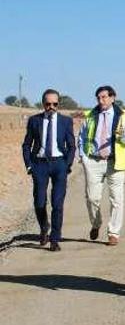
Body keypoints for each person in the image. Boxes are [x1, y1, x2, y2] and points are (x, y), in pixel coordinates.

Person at [77, 85, 125, 246]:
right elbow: (81, 137)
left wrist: (123, 135)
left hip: (115, 162)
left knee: (116, 199)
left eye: (104, 97)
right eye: (98, 98)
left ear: (112, 98)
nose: (101, 100)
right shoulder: (90, 115)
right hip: (93, 161)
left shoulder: (123, 116)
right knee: (92, 198)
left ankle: (113, 233)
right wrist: (83, 157)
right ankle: (96, 224)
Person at [21, 89, 76, 252]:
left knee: (57, 203)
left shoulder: (66, 121)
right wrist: (29, 165)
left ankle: (55, 238)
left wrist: (67, 164)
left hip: (59, 164)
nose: (51, 107)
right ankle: (44, 227)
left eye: (54, 104)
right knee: (39, 202)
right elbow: (26, 145)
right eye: (48, 104)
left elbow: (71, 145)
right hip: (40, 164)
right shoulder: (34, 121)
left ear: (58, 104)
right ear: (43, 103)